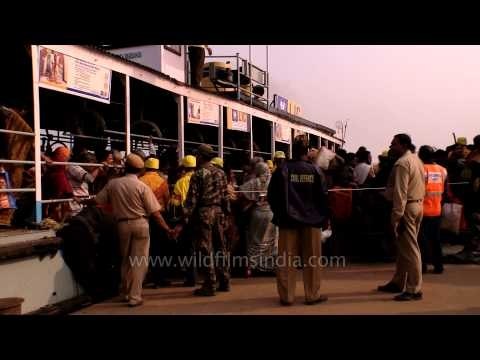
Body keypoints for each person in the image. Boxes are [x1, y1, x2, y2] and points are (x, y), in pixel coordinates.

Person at [82, 153, 173, 307]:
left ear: (125, 167)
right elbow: (155, 213)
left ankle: (125, 292)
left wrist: (81, 200)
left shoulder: (113, 184)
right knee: (139, 261)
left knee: (125, 259)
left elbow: (96, 201)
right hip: (141, 224)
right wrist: (167, 228)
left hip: (122, 225)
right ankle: (135, 296)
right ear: (140, 170)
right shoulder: (142, 186)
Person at [267, 135, 330, 306]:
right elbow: (323, 197)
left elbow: (272, 196)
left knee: (286, 260)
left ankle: (287, 296)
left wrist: (280, 213)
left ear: (291, 150)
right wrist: (323, 219)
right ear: (308, 151)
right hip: (312, 222)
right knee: (312, 260)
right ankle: (312, 295)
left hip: (288, 221)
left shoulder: (282, 170)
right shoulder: (316, 171)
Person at [173, 144, 230, 296]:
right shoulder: (221, 173)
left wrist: (183, 218)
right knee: (220, 247)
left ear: (201, 156)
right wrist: (226, 215)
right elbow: (226, 197)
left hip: (204, 214)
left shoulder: (198, 174)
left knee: (205, 249)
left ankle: (209, 284)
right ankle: (224, 281)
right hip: (219, 212)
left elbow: (192, 200)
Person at [379, 134, 425, 301]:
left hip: (406, 208)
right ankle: (398, 282)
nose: (391, 147)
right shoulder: (416, 160)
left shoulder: (402, 164)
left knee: (411, 250)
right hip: (417, 205)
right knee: (404, 249)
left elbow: (400, 192)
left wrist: (396, 216)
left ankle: (414, 289)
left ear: (403, 145)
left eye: (394, 144)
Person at [240, 162, 277, 275]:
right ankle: (267, 267)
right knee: (270, 241)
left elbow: (241, 192)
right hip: (270, 213)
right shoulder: (274, 182)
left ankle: (252, 266)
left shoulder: (254, 182)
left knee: (255, 240)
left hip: (257, 214)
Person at [139, 157, 172, 287]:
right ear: (157, 168)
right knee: (160, 248)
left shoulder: (140, 180)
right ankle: (160, 278)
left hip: (144, 217)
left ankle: (148, 277)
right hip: (160, 216)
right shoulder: (162, 181)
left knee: (147, 249)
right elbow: (167, 199)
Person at [418, 145, 447, 274]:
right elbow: (444, 189)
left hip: (422, 210)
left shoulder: (419, 170)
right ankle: (438, 266)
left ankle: (422, 266)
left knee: (421, 240)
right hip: (437, 209)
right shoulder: (442, 170)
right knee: (436, 240)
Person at [169, 155, 197, 286]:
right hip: (202, 217)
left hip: (187, 219)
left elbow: (175, 204)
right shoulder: (200, 178)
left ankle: (191, 278)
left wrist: (177, 222)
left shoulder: (181, 182)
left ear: (184, 167)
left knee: (188, 249)